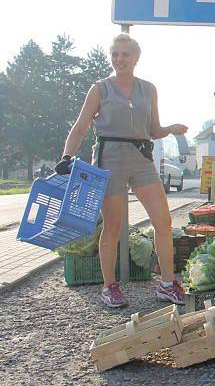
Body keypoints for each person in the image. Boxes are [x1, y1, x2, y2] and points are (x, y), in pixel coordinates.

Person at [55, 33, 189, 308]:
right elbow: (81, 125)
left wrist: (171, 129)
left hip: (141, 157)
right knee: (113, 227)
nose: (119, 59)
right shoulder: (100, 89)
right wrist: (67, 156)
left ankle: (166, 283)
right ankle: (109, 287)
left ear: (136, 58)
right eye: (115, 54)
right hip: (109, 157)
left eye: (125, 54)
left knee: (163, 221)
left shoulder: (148, 89)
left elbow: (153, 130)